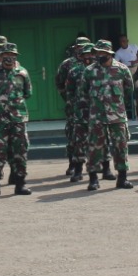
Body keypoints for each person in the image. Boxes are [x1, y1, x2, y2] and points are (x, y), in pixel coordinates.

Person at [82, 39, 134, 190]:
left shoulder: (122, 69)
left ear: (110, 53)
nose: (100, 56)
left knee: (121, 147)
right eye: (97, 53)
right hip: (97, 116)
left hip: (117, 116)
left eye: (103, 53)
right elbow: (83, 92)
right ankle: (93, 179)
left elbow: (129, 89)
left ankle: (122, 179)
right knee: (94, 148)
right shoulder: (89, 71)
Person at [0, 42, 32, 197]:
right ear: (0, 56)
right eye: (5, 55)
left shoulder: (22, 72)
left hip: (18, 118)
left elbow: (27, 92)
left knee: (20, 151)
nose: (9, 58)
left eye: (12, 55)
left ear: (16, 56)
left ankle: (20, 184)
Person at [55, 35, 92, 177]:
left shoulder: (95, 63)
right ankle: (73, 164)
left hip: (93, 108)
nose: (82, 49)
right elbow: (60, 84)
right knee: (73, 136)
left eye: (85, 46)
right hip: (74, 108)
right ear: (75, 48)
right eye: (79, 46)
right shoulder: (68, 64)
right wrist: (70, 100)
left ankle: (96, 165)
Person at [66, 41, 97, 183]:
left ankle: (104, 169)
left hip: (98, 112)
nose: (88, 57)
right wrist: (74, 105)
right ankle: (78, 171)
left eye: (91, 54)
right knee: (79, 142)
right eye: (85, 55)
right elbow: (68, 90)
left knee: (100, 142)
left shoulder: (101, 70)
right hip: (80, 112)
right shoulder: (75, 71)